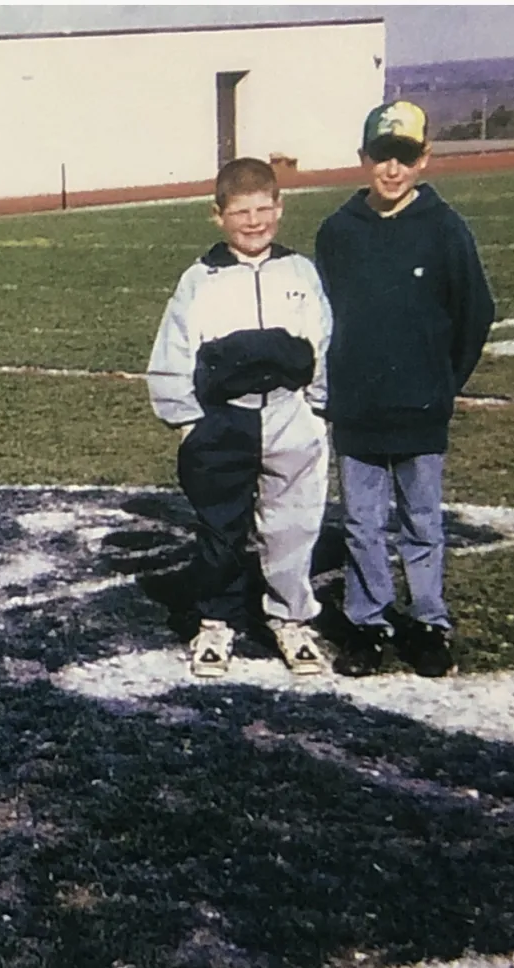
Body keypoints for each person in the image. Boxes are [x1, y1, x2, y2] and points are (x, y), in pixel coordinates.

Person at [314, 101, 496, 678]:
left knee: (422, 522)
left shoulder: (444, 228)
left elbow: (475, 313)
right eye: (381, 156)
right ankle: (368, 623)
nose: (392, 170)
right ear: (363, 158)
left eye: (405, 157)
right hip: (360, 410)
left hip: (420, 408)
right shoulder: (339, 232)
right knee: (362, 523)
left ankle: (427, 621)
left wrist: (442, 381)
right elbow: (324, 317)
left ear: (425, 158)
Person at [147, 156, 334, 678]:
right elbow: (173, 351)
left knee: (292, 524)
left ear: (280, 206)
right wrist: (188, 422)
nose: (254, 222)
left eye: (263, 209)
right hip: (224, 421)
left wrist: (316, 408)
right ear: (218, 215)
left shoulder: (299, 271)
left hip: (287, 415)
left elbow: (322, 340)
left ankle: (291, 618)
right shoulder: (199, 280)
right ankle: (216, 622)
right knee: (220, 529)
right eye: (240, 212)